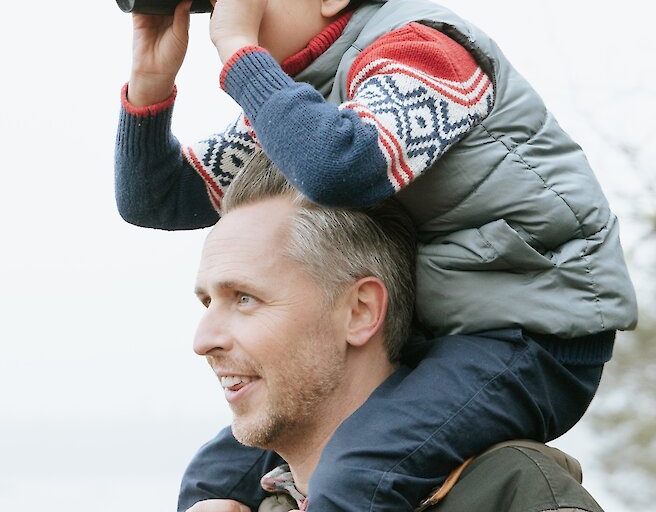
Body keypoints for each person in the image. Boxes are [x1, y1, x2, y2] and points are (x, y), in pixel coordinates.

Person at [115, 0, 637, 511]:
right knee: (216, 477)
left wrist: (240, 55)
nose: (224, 13)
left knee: (358, 475)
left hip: (534, 334)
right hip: (440, 331)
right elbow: (157, 198)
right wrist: (151, 84)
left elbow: (345, 169)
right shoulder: (305, 102)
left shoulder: (425, 52)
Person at [185, 150, 605, 512]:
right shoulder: (236, 501)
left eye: (244, 298)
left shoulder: (512, 494)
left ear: (360, 312)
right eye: (208, 302)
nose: (203, 341)